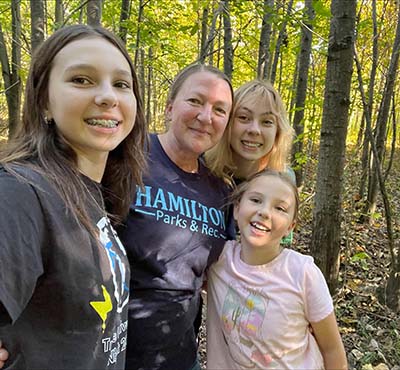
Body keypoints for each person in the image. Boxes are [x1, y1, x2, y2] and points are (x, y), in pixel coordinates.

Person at [0, 24, 147, 369]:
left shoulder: (93, 193)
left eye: (121, 84)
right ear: (44, 100)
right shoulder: (22, 192)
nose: (108, 96)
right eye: (82, 80)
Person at [118, 63, 235, 370]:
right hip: (111, 355)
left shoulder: (221, 190)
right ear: (170, 108)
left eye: (219, 110)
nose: (205, 117)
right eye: (195, 101)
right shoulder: (126, 155)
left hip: (180, 357)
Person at [206, 169, 348, 369]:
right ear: (237, 209)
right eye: (256, 200)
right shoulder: (217, 259)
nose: (264, 212)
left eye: (280, 208)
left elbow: (332, 349)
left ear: (291, 226)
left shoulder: (303, 273)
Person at [205, 79, 294, 185]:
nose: (254, 130)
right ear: (228, 123)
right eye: (243, 117)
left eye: (266, 121)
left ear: (277, 132)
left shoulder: (283, 181)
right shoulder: (199, 169)